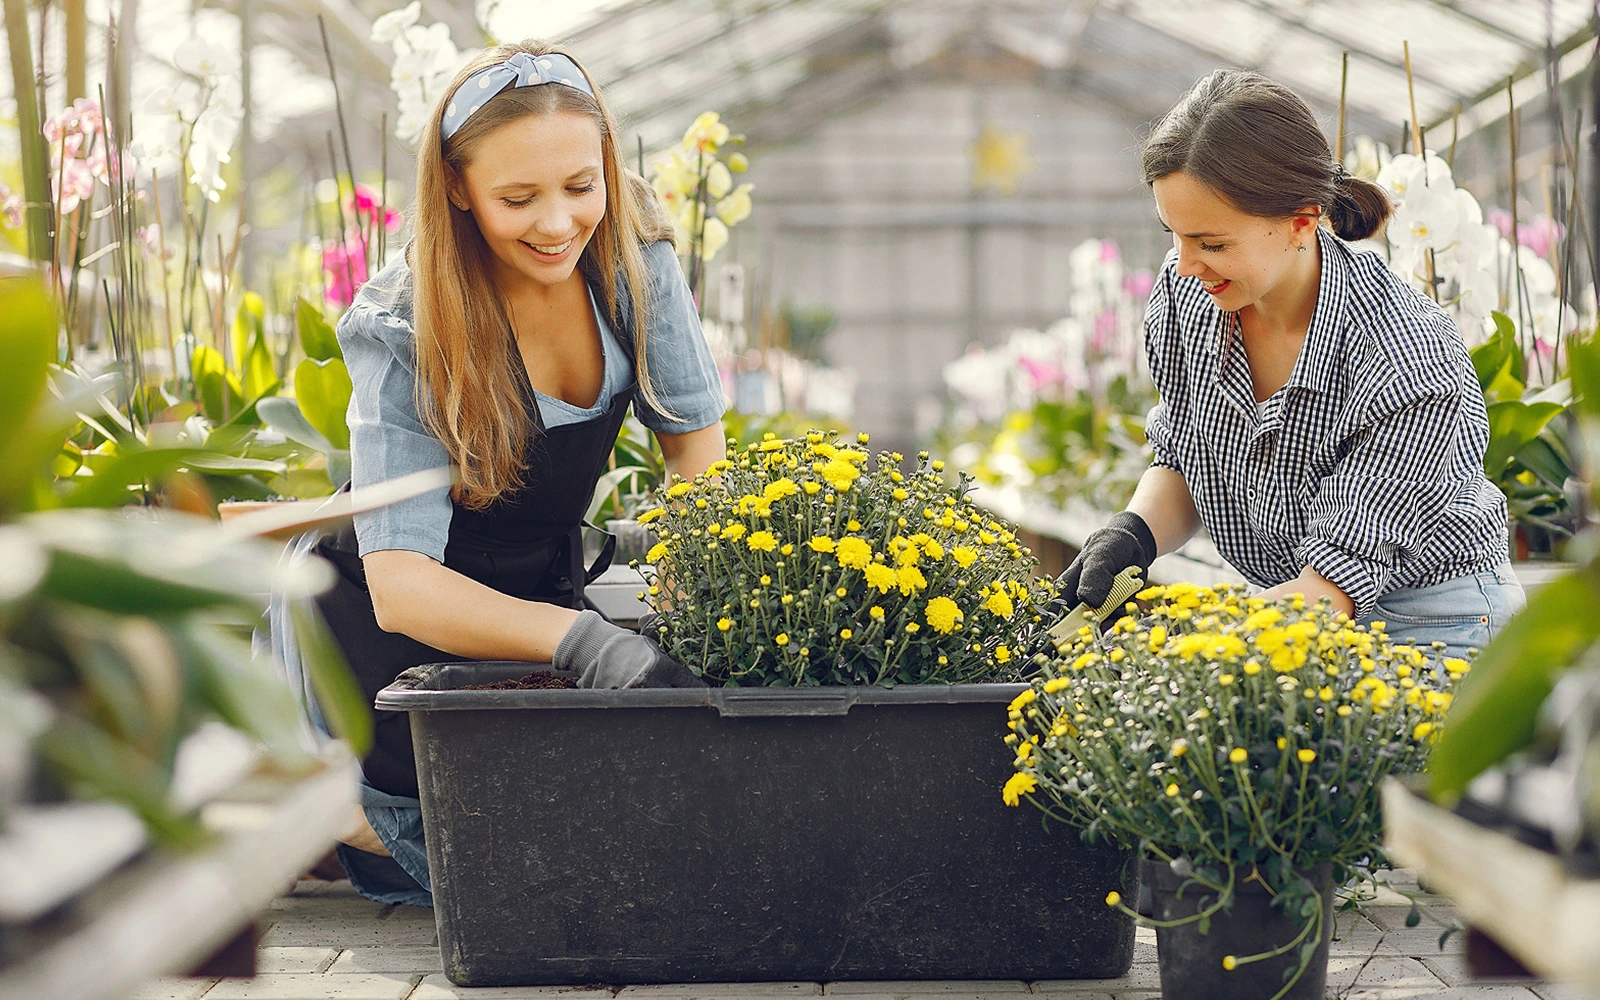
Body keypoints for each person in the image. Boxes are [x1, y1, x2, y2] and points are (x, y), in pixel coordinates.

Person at [268, 41, 726, 905]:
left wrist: (708, 611)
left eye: (580, 187)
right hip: (382, 621)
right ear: (455, 186)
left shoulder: (635, 263)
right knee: (483, 868)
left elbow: (698, 464)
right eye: (518, 198)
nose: (557, 224)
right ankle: (328, 813)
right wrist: (584, 643)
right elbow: (402, 586)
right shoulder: (405, 323)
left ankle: (318, 820)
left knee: (615, 842)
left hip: (534, 592)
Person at [1055, 69, 1523, 656]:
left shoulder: (1402, 351)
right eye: (1173, 234)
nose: (1186, 262)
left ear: (1302, 221)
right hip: (1289, 602)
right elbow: (1184, 458)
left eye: (1213, 243)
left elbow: (1332, 588)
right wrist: (1134, 534)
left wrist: (1175, 646)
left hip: (1427, 624)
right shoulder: (1185, 300)